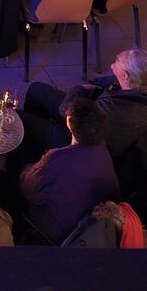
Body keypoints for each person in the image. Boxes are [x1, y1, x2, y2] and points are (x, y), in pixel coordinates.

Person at [19, 47, 147, 165]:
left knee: (22, 120)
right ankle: (36, 148)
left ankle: (29, 158)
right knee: (36, 90)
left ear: (125, 75)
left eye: (119, 59)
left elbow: (66, 110)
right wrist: (84, 92)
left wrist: (80, 90)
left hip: (81, 143)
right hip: (84, 116)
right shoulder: (139, 86)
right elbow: (96, 82)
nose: (117, 55)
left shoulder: (114, 109)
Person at [20, 96, 120, 244]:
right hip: (93, 230)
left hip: (60, 234)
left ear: (69, 122)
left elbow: (27, 187)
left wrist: (28, 167)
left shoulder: (56, 160)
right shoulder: (101, 149)